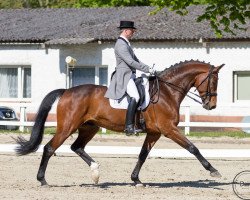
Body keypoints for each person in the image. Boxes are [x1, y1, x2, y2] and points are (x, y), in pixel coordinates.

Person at [104, 20, 155, 136]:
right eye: (132, 31)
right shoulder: (121, 44)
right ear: (126, 31)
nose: (133, 33)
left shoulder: (126, 44)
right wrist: (147, 69)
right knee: (135, 96)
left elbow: (136, 60)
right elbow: (130, 62)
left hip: (130, 75)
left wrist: (149, 68)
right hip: (124, 76)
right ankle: (129, 126)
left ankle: (139, 121)